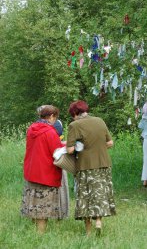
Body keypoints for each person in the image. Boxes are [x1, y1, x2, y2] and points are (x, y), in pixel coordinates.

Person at [66, 100, 116, 236]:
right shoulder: (100, 121)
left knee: (85, 197)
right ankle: (99, 221)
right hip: (103, 164)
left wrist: (78, 146)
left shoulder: (74, 125)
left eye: (72, 115)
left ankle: (88, 232)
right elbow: (110, 143)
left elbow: (70, 150)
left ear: (75, 113)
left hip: (85, 165)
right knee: (100, 194)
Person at [21, 105, 64, 234]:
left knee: (33, 201)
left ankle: (34, 232)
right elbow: (56, 152)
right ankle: (40, 235)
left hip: (31, 171)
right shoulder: (50, 132)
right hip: (45, 173)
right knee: (43, 205)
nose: (55, 120)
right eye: (55, 117)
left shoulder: (31, 129)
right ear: (51, 116)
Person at [37, 105, 69, 219]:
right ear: (51, 116)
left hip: (37, 164)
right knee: (60, 187)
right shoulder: (55, 126)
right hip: (55, 159)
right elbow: (56, 147)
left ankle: (38, 215)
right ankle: (60, 213)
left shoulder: (33, 127)